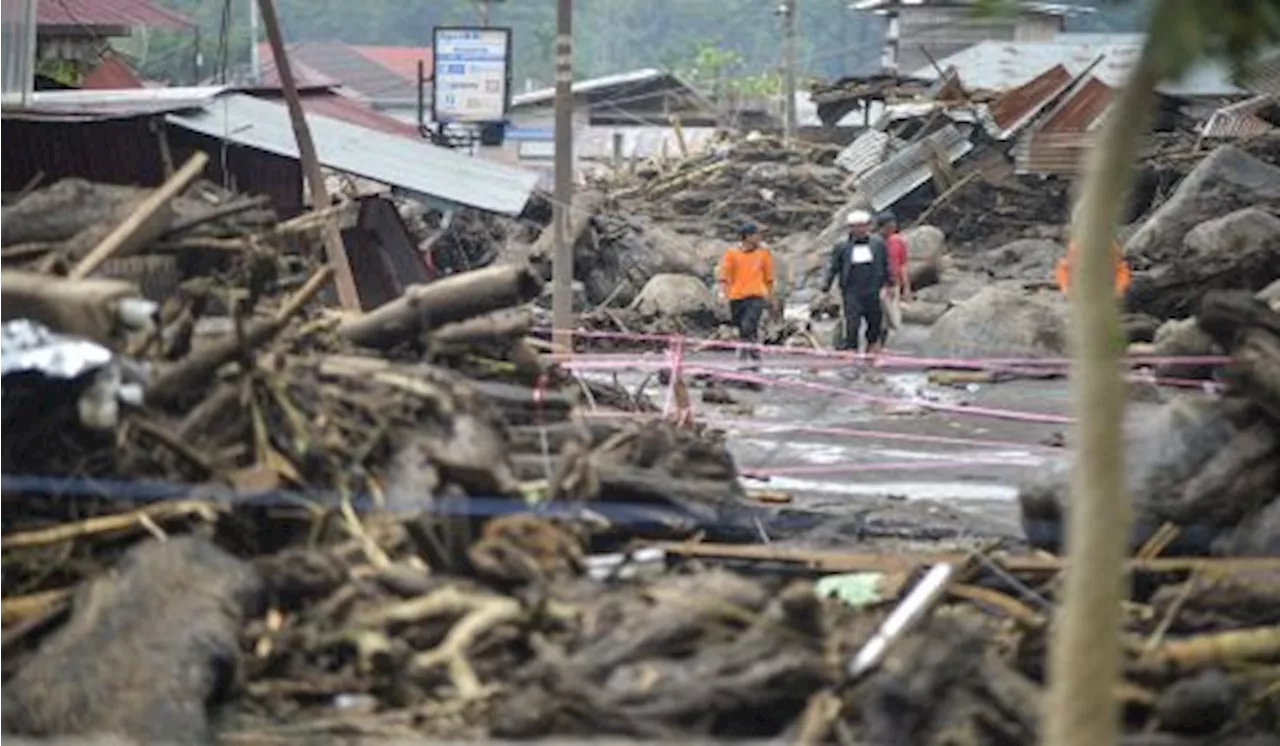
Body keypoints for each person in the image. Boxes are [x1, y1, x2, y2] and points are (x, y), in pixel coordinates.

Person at [822, 209, 891, 355]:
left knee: (875, 322)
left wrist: (890, 283)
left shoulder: (877, 244)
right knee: (852, 323)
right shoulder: (842, 246)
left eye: (862, 226)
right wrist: (825, 286)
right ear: (850, 228)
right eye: (855, 226)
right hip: (851, 290)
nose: (859, 229)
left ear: (868, 226)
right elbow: (833, 266)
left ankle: (871, 347)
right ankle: (851, 348)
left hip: (872, 289)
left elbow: (885, 264)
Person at [718, 222, 775, 361]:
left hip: (756, 295)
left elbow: (769, 277)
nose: (759, 237)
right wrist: (722, 293)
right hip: (736, 296)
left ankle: (743, 354)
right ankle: (754, 353)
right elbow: (725, 275)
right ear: (747, 237)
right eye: (756, 234)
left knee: (748, 325)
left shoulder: (763, 253)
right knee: (743, 327)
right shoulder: (731, 253)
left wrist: (770, 295)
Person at [1055, 238, 1132, 298]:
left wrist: (1119, 289)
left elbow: (1121, 269)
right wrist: (1065, 287)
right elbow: (1063, 268)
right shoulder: (1077, 248)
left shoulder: (1110, 248)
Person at [877, 210, 910, 341]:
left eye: (893, 225)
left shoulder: (898, 242)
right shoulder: (875, 243)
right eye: (889, 226)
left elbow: (903, 265)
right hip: (878, 285)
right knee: (881, 318)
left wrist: (906, 288)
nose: (892, 228)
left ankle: (880, 345)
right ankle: (875, 345)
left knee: (892, 321)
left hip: (893, 284)